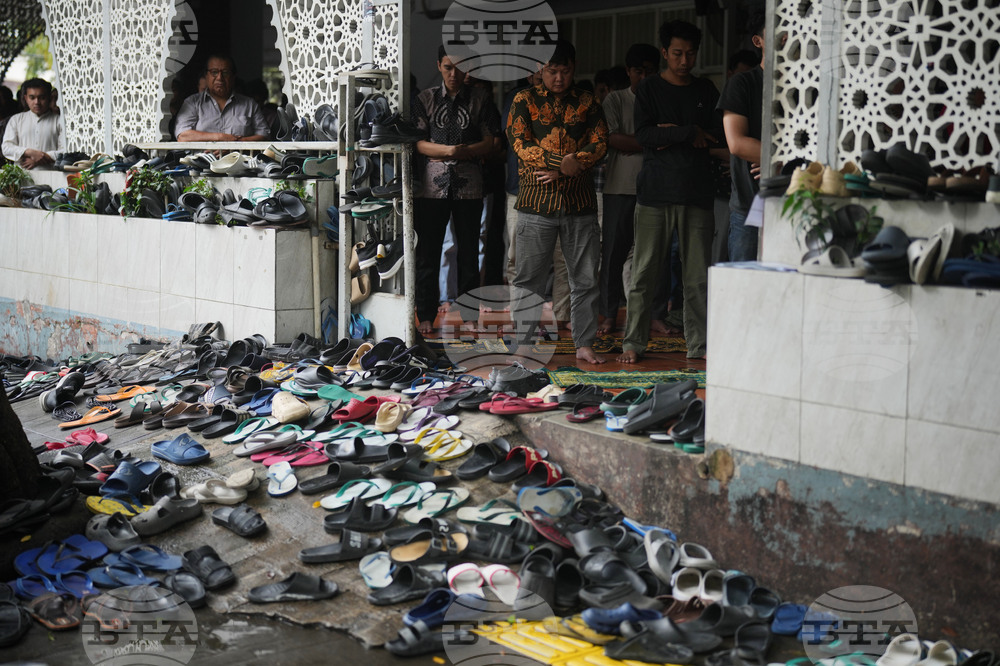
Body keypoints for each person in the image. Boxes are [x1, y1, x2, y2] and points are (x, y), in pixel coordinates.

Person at [618, 20, 726, 363]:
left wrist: (675, 134)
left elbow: (715, 137)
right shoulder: (649, 89)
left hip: (697, 193)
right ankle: (633, 342)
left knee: (696, 278)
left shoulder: (706, 90)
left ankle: (700, 345)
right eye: (677, 53)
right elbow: (645, 137)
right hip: (655, 193)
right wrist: (686, 133)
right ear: (665, 52)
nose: (684, 60)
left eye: (690, 53)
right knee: (644, 274)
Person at [507, 39, 608, 364]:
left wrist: (564, 169)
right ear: (541, 68)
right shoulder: (524, 99)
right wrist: (561, 163)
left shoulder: (589, 102)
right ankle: (524, 343)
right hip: (535, 204)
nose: (559, 78)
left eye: (565, 71)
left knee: (585, 278)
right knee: (528, 278)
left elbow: (600, 143)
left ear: (573, 69)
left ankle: (584, 343)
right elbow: (520, 143)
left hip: (579, 204)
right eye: (553, 71)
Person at [412, 45, 501, 334]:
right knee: (428, 251)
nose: (454, 74)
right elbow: (418, 143)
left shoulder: (481, 98)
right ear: (439, 65)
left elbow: (492, 141)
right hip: (432, 188)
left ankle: (470, 313)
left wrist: (461, 152)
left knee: (468, 252)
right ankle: (425, 313)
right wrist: (452, 150)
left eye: (460, 68)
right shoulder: (425, 98)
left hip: (470, 187)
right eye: (448, 67)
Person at [597, 43, 660, 335]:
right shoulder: (615, 100)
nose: (644, 78)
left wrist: (632, 141)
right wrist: (654, 140)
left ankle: (653, 314)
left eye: (649, 71)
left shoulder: (662, 98)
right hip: (618, 188)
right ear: (628, 72)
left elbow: (626, 141)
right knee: (612, 254)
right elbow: (611, 139)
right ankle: (609, 314)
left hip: (654, 187)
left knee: (652, 255)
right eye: (638, 72)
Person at [718, 11, 766, 262]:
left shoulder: (806, 84)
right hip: (749, 204)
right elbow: (737, 143)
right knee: (743, 289)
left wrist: (769, 158)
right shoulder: (742, 84)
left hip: (796, 200)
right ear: (758, 41)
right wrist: (776, 160)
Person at [175, 54, 270, 141]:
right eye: (214, 72)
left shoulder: (249, 104)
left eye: (225, 73)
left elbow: (265, 135)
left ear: (233, 77)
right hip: (200, 159)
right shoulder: (192, 103)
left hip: (239, 159)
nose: (220, 78)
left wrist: (236, 144)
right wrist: (221, 137)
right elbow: (182, 136)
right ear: (206, 76)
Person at [1, 78, 63, 170]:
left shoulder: (59, 121)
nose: (37, 102)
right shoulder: (16, 120)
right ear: (26, 98)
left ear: (49, 98)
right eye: (32, 97)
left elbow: (66, 151)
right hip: (22, 177)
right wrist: (29, 152)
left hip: (52, 176)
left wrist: (41, 157)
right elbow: (6, 147)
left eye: (42, 97)